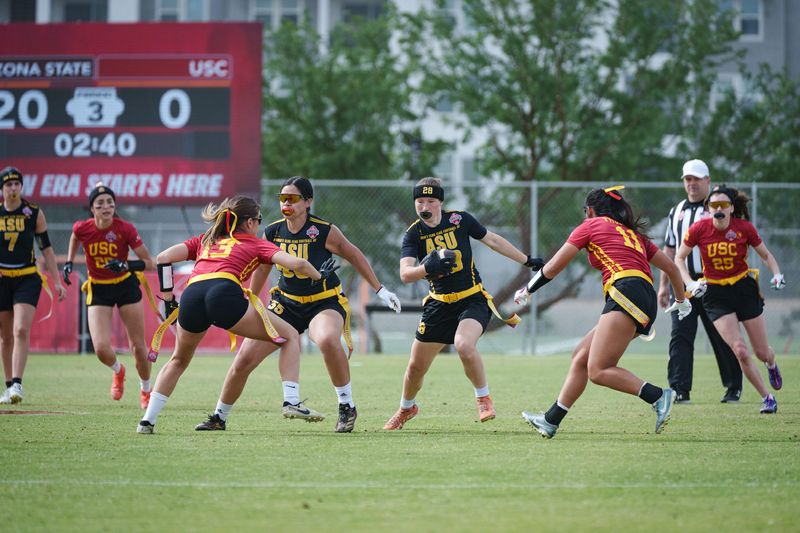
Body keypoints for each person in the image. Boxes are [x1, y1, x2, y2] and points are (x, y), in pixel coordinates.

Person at [196, 176, 402, 434]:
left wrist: (380, 290)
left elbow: (354, 254)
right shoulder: (272, 231)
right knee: (245, 358)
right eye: (282, 198)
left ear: (308, 202)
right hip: (286, 304)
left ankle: (346, 405)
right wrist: (250, 295)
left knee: (327, 339)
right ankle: (219, 417)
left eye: (292, 198)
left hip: (323, 301)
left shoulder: (324, 230)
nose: (286, 203)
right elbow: (262, 267)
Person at [137, 195, 330, 434]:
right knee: (289, 335)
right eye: (258, 219)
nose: (259, 225)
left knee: (178, 360)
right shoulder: (254, 243)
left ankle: (147, 420)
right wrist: (320, 277)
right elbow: (299, 264)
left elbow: (163, 258)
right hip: (224, 293)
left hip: (192, 294)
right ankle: (291, 401)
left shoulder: (206, 240)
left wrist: (168, 301)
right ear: (249, 223)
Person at [515, 185, 689, 439]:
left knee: (598, 370)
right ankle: (551, 420)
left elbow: (553, 266)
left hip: (625, 291)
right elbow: (672, 270)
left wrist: (528, 289)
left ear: (590, 210)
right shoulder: (632, 234)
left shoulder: (590, 225)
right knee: (581, 357)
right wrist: (682, 301)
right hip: (642, 294)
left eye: (586, 212)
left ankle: (659, 396)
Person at [383, 177, 543, 430]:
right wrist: (427, 267)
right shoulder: (413, 233)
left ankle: (483, 398)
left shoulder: (459, 220)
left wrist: (526, 260)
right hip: (438, 305)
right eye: (420, 201)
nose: (425, 206)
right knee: (415, 368)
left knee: (464, 345)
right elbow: (405, 274)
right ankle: (406, 408)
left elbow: (492, 240)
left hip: (471, 298)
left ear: (441, 202)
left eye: (431, 201)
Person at [675, 184, 783, 414]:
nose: (719, 209)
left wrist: (777, 274)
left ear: (732, 208)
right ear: (708, 208)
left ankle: (771, 364)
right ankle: (767, 398)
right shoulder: (699, 229)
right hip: (716, 294)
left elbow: (765, 255)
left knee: (762, 352)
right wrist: (690, 283)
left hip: (743, 289)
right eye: (714, 205)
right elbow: (678, 258)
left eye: (723, 204)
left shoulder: (744, 228)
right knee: (741, 351)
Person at [63, 183, 157, 409]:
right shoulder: (82, 227)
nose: (106, 207)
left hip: (125, 285)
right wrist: (68, 260)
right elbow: (75, 236)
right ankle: (118, 371)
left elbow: (150, 264)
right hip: (99, 288)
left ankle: (146, 389)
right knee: (102, 349)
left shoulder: (125, 229)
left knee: (138, 347)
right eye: (100, 203)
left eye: (110, 203)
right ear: (92, 209)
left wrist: (125, 265)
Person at [658, 159, 742, 404]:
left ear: (708, 181)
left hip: (716, 283)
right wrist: (663, 285)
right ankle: (679, 389)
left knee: (722, 336)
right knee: (680, 336)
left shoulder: (717, 207)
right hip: (683, 284)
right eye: (687, 179)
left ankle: (733, 387)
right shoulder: (677, 211)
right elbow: (670, 249)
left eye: (696, 179)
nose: (691, 184)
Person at [0, 166, 67, 405]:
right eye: (9, 184)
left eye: (17, 184)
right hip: (2, 277)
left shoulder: (33, 212)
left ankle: (17, 382)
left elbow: (46, 248)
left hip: (27, 277)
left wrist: (57, 282)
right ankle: (8, 386)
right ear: (2, 189)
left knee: (20, 330)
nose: (14, 188)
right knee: (5, 335)